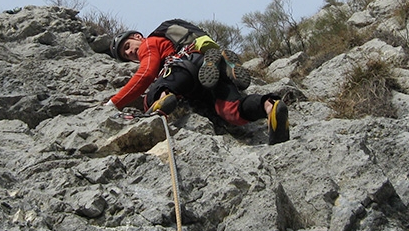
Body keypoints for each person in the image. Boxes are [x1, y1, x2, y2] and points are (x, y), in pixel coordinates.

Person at [104, 21, 290, 145]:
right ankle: (270, 106)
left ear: (137, 37)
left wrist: (114, 103)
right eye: (125, 55)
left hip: (182, 68)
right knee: (232, 111)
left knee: (157, 86)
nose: (129, 53)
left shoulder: (149, 43)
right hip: (202, 70)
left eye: (127, 46)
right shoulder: (155, 43)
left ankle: (162, 98)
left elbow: (146, 73)